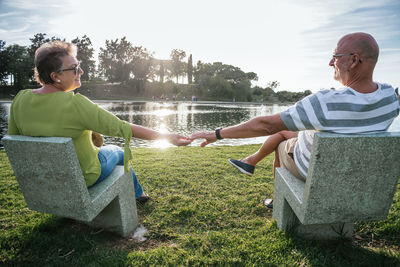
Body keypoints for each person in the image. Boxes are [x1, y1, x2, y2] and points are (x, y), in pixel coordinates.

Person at [191, 32, 400, 209]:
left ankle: (277, 201)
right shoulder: (390, 98)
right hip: (359, 176)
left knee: (280, 141)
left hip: (319, 172)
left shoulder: (324, 103)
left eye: (335, 56)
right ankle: (251, 162)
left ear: (354, 60)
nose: (330, 62)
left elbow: (267, 125)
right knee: (288, 134)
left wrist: (216, 134)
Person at [7, 41, 192, 204]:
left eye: (78, 65)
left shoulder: (20, 99)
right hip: (83, 177)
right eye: (74, 68)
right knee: (118, 151)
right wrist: (167, 137)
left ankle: (138, 194)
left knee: (104, 149)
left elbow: (14, 141)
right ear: (56, 76)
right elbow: (123, 128)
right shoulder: (75, 104)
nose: (81, 71)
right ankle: (139, 194)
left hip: (43, 180)